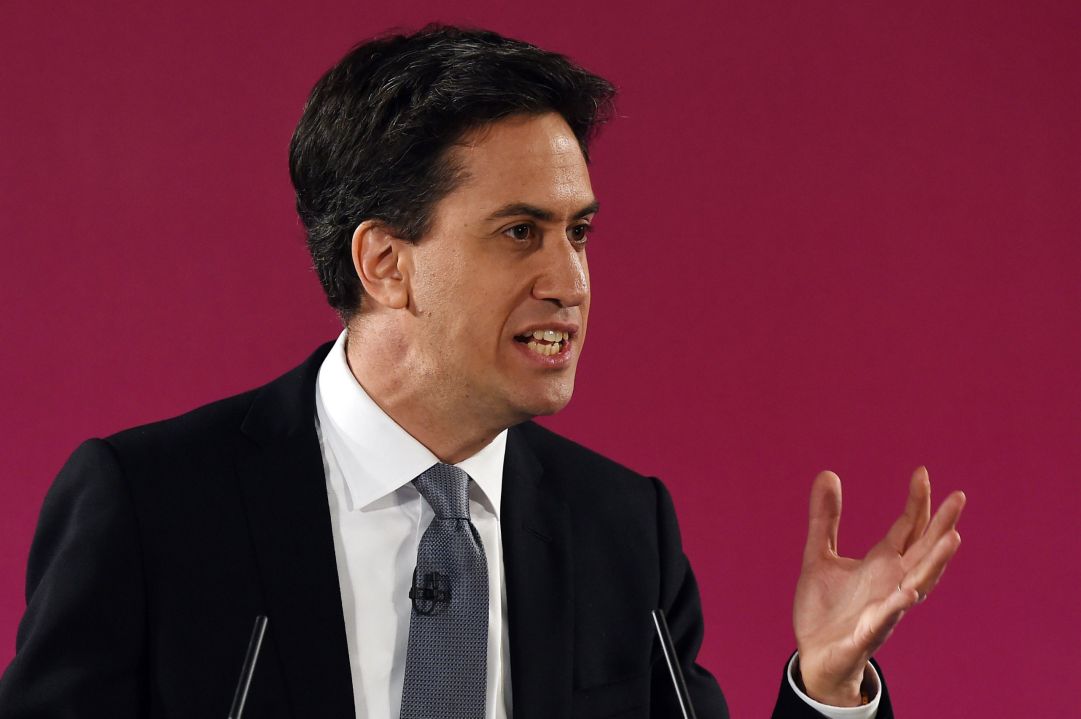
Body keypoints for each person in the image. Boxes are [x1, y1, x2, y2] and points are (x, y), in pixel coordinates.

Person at [0, 25, 964, 719]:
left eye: (578, 233)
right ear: (385, 262)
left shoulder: (620, 529)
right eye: (518, 232)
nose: (570, 282)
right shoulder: (152, 505)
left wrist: (827, 684)